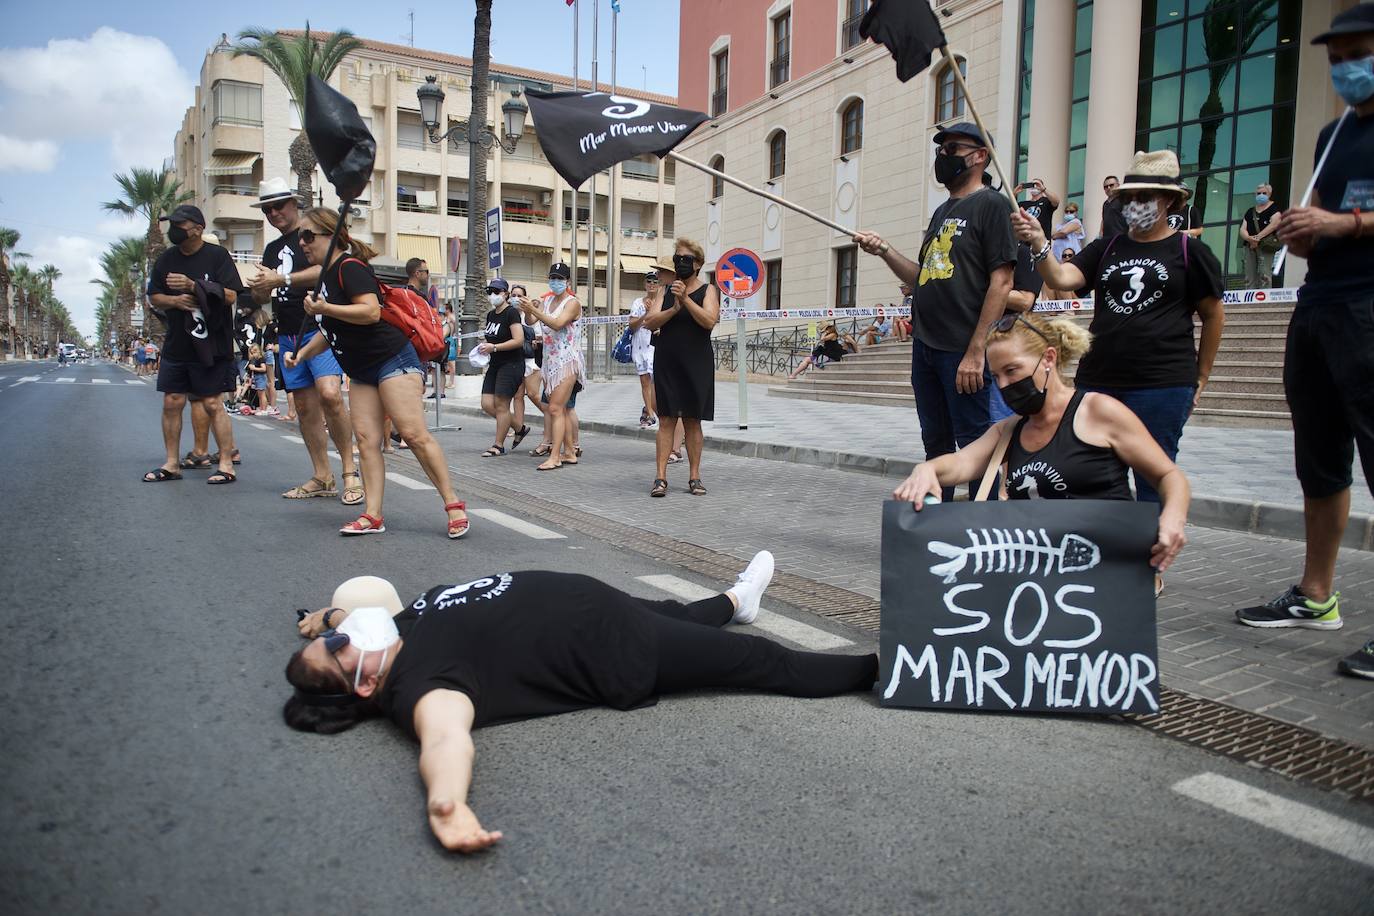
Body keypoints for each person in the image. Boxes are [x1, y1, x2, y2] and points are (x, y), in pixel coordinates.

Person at [282, 553, 879, 853]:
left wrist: (328, 617)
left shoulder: (393, 632)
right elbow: (444, 738)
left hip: (607, 609)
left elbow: (356, 619)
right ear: (363, 684)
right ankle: (890, 670)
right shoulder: (421, 685)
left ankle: (737, 601)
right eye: (336, 647)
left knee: (681, 614)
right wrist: (447, 804)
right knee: (761, 662)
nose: (342, 635)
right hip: (618, 651)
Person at [1234, 3, 1374, 680]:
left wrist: (1347, 224)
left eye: (1358, 54)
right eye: (1337, 58)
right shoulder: (1333, 132)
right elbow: (1324, 221)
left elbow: (1347, 220)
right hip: (1319, 304)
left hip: (1369, 305)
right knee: (1319, 457)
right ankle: (1317, 595)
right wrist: (1304, 232)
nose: (1345, 68)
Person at [893, 313, 1190, 583]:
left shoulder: (1098, 412)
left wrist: (1173, 518)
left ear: (1048, 358)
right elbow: (962, 463)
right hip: (1040, 583)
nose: (1005, 385)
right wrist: (927, 469)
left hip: (1106, 576)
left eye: (1012, 370)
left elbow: (1169, 475)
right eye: (996, 377)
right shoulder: (1009, 430)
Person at [1013, 150, 1225, 509]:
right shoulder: (1107, 247)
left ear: (1169, 200)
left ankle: (1153, 545)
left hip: (1162, 384)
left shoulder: (1191, 251)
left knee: (1152, 480)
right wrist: (1038, 243)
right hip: (1100, 381)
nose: (1134, 204)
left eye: (1145, 196)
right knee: (1092, 477)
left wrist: (1201, 377)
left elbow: (1214, 315)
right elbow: (1061, 277)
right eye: (1129, 197)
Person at [854, 122, 1017, 500]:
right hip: (927, 346)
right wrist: (884, 251)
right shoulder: (943, 210)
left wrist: (977, 351)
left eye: (953, 148)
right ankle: (938, 521)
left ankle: (981, 523)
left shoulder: (992, 205)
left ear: (980, 156)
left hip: (962, 347)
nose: (943, 156)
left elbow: (1002, 282)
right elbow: (923, 276)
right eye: (941, 149)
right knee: (936, 444)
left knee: (977, 444)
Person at [284, 206, 470, 539]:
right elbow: (329, 331)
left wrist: (325, 307)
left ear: (332, 236)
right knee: (367, 441)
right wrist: (301, 355)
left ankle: (453, 504)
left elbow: (370, 312)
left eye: (308, 235)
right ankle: (372, 515)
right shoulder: (324, 278)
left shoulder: (350, 267)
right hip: (361, 369)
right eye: (300, 237)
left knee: (412, 434)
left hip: (391, 358)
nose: (302, 243)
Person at [248, 177, 362, 506]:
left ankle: (350, 472)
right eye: (267, 210)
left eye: (278, 206)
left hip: (319, 328)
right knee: (304, 407)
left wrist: (281, 278)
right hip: (287, 333)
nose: (273, 213)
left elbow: (328, 267)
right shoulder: (272, 249)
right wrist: (260, 288)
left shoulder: (312, 235)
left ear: (293, 204)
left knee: (330, 394)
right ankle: (322, 475)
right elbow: (264, 295)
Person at [141, 204, 246, 486]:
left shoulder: (217, 256)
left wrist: (192, 286)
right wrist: (174, 300)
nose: (173, 230)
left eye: (180, 225)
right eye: (172, 225)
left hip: (211, 343)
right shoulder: (166, 259)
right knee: (172, 401)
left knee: (212, 402)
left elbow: (231, 295)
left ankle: (226, 464)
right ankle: (171, 463)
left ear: (198, 229)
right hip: (177, 343)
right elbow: (154, 297)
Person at [640, 240, 720, 497]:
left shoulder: (708, 290)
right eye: (677, 258)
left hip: (697, 363)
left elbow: (709, 321)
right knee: (666, 419)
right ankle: (660, 477)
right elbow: (650, 322)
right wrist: (674, 307)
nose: (680, 263)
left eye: (685, 259)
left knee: (693, 421)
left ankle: (694, 477)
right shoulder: (665, 290)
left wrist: (686, 299)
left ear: (698, 264)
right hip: (668, 361)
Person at [517, 263, 585, 471]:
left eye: (559, 278)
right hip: (549, 362)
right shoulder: (547, 301)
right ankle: (569, 452)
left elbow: (557, 323)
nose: (555, 282)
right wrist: (529, 309)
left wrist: (534, 311)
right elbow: (531, 321)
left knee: (555, 408)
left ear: (567, 281)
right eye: (552, 278)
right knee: (559, 409)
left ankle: (555, 456)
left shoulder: (572, 303)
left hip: (567, 362)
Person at [477, 278, 527, 457]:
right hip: (495, 363)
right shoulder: (491, 315)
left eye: (496, 291)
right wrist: (484, 348)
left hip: (511, 364)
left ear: (505, 294)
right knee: (486, 404)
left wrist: (495, 347)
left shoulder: (511, 313)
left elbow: (518, 340)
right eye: (489, 291)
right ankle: (519, 428)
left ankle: (498, 445)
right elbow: (492, 338)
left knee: (501, 404)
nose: (492, 295)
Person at [508, 285, 546, 455]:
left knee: (532, 394)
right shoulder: (510, 314)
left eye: (519, 295)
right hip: (516, 360)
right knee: (517, 396)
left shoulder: (529, 314)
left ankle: (552, 418)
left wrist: (534, 340)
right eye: (513, 295)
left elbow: (540, 334)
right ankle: (518, 427)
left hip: (531, 360)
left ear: (525, 297)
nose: (516, 298)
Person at [627, 270, 660, 429]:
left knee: (656, 381)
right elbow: (632, 325)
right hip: (640, 345)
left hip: (656, 346)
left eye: (655, 282)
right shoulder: (637, 303)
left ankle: (651, 410)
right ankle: (650, 413)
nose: (652, 284)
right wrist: (645, 313)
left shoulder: (663, 301)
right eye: (649, 281)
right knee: (645, 380)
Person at [1239, 183, 1283, 288]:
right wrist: (1249, 239)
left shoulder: (1274, 209)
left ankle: (1265, 296)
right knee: (1249, 275)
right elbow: (1242, 229)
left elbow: (1275, 224)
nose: (1261, 195)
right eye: (1258, 193)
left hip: (1266, 245)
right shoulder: (1250, 211)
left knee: (1265, 275)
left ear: (1269, 194)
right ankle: (1249, 296)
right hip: (1249, 246)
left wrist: (1257, 238)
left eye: (1264, 193)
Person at [247, 344, 269, 413]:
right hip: (257, 377)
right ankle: (261, 408)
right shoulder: (255, 359)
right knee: (259, 394)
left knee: (262, 394)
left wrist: (254, 368)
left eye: (255, 351)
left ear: (259, 351)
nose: (254, 354)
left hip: (261, 377)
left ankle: (264, 409)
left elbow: (264, 369)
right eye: (252, 352)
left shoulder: (261, 359)